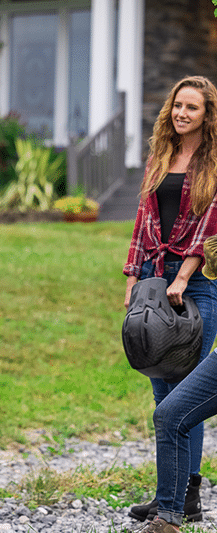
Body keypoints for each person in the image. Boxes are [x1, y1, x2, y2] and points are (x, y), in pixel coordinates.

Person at [123, 75, 217, 531]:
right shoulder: (160, 156)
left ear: (207, 116)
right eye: (178, 105)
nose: (182, 113)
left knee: (184, 396)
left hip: (195, 286)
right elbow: (143, 220)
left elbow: (211, 224)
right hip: (154, 280)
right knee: (162, 388)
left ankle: (181, 498)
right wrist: (133, 276)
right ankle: (174, 495)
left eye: (192, 108)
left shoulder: (214, 163)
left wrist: (183, 274)